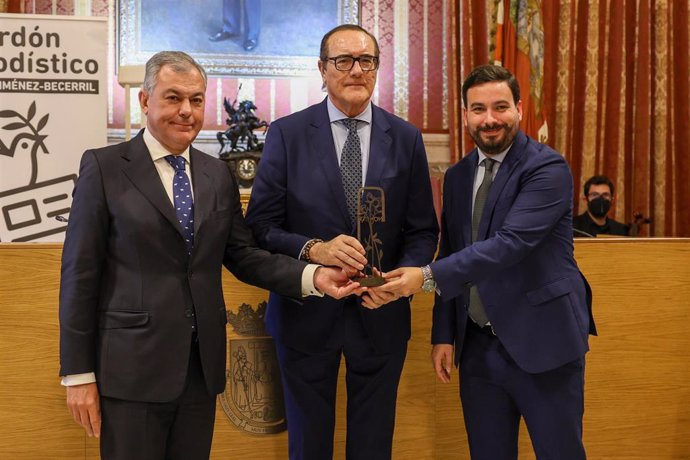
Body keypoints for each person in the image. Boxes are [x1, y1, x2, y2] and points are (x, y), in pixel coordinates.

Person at [58, 51, 358, 460]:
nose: (186, 111)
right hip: (130, 373)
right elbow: (79, 277)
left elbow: (243, 254)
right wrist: (77, 374)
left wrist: (313, 277)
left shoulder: (216, 174)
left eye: (196, 100)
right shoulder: (104, 167)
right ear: (145, 101)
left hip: (200, 372)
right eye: (173, 98)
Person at [244, 24, 439, 460]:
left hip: (381, 315)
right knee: (308, 445)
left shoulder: (405, 138)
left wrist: (400, 280)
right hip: (306, 316)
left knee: (374, 445)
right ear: (322, 69)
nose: (355, 70)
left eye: (366, 60)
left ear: (376, 69)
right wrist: (316, 249)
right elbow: (261, 225)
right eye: (343, 61)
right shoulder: (287, 134)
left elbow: (423, 229)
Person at [383, 64, 596, 459]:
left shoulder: (547, 168)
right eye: (478, 109)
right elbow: (452, 250)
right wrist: (444, 334)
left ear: (519, 108)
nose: (490, 119)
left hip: (543, 342)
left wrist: (426, 278)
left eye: (500, 107)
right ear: (465, 114)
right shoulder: (459, 175)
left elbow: (510, 244)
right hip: (478, 348)